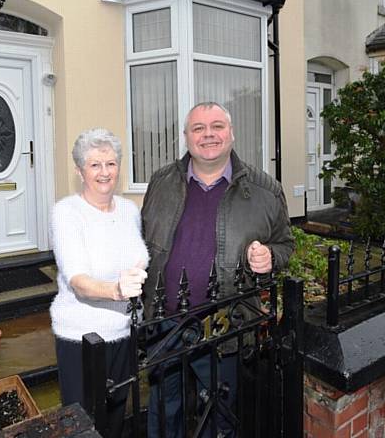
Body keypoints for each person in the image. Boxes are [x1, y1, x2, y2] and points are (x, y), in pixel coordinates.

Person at [141, 101, 295, 438]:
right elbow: (143, 243)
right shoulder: (161, 182)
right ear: (186, 137)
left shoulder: (265, 190)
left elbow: (286, 245)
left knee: (220, 416)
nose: (208, 134)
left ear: (232, 133)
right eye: (198, 128)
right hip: (166, 323)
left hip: (225, 327)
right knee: (165, 414)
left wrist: (270, 257)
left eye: (217, 126)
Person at [49, 128, 149, 438]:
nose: (104, 172)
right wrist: (117, 290)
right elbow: (78, 280)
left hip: (122, 332)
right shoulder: (67, 213)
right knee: (83, 425)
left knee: (117, 416)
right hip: (82, 338)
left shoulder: (130, 210)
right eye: (94, 165)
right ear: (80, 171)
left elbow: (138, 259)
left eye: (111, 163)